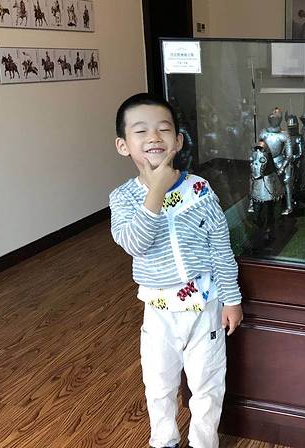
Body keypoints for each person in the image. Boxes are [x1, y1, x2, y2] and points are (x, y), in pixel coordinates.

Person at [109, 93, 243, 448]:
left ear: (178, 140)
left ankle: (203, 442)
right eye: (141, 131)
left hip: (205, 308)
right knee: (159, 384)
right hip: (159, 314)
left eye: (163, 129)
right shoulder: (122, 198)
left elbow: (221, 247)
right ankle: (163, 439)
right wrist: (156, 188)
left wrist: (232, 300)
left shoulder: (199, 189)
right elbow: (135, 243)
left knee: (208, 384)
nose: (154, 137)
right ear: (123, 145)